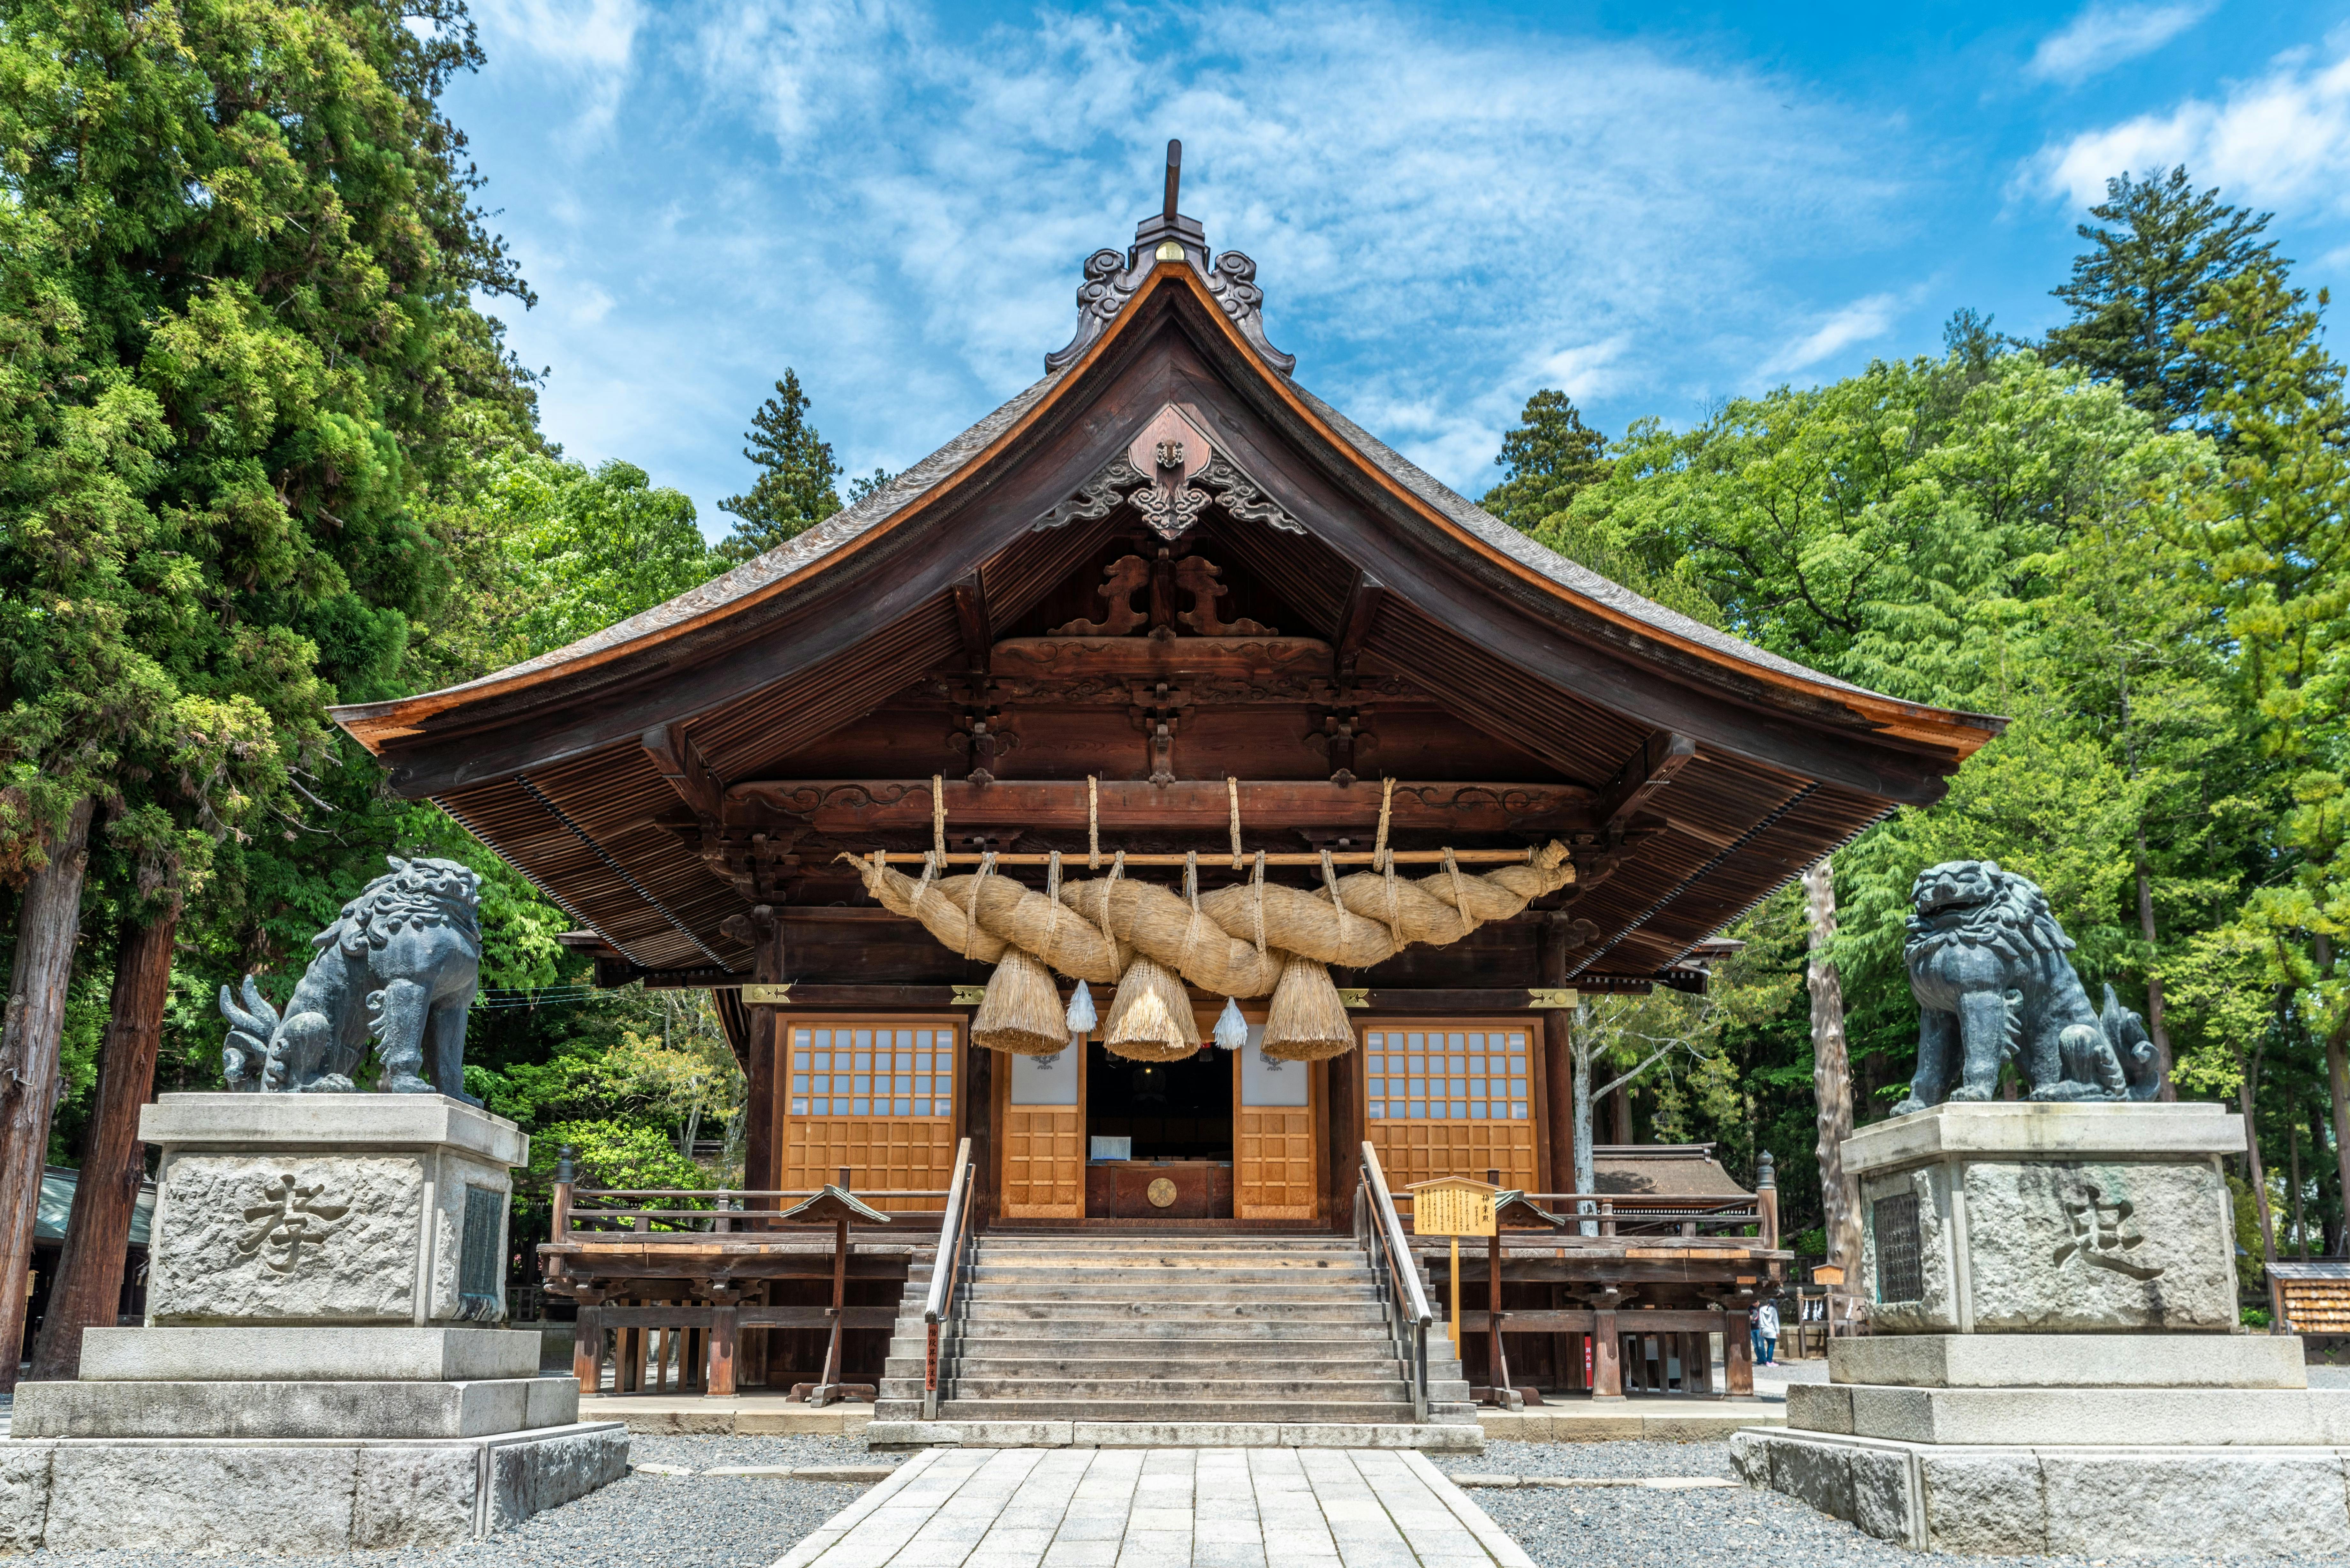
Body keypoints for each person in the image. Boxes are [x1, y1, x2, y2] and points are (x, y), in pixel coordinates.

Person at [1757, 1297, 1781, 1365]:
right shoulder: (1774, 1310)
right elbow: (1776, 1322)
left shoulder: (1762, 1309)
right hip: (1772, 1331)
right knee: (1771, 1346)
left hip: (1764, 1330)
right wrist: (1778, 1332)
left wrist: (1761, 1330)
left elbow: (1760, 1320)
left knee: (1768, 1345)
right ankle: (1770, 1361)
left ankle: (1768, 1360)